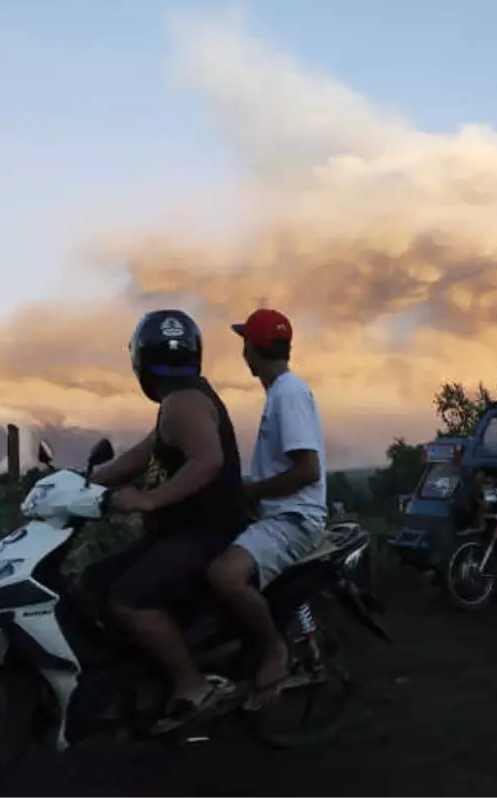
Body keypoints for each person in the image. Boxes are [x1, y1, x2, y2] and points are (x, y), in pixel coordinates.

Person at [89, 309, 249, 731]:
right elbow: (140, 455)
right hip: (185, 533)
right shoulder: (182, 399)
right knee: (93, 581)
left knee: (128, 597)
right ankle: (136, 674)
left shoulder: (183, 403)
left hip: (205, 536)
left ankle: (192, 685)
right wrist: (86, 482)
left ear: (140, 358)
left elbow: (208, 460)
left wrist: (149, 500)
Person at [206, 308, 328, 711]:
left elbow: (307, 470)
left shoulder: (288, 394)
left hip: (293, 519)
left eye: (244, 343)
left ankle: (274, 650)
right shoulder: (280, 393)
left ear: (252, 350)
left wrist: (254, 491)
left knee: (225, 576)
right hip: (278, 513)